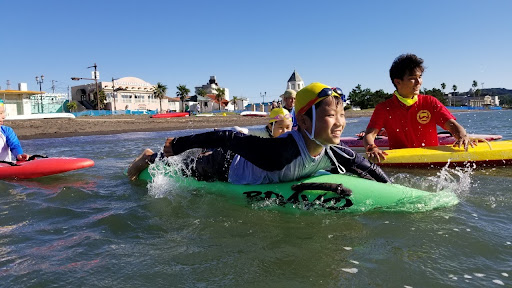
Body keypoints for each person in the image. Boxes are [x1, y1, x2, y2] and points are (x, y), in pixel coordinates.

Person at [127, 82, 390, 184]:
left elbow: (362, 165)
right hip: (226, 166)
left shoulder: (332, 152)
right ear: (305, 123)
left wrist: (393, 190)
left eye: (342, 115)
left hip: (242, 158)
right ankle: (150, 157)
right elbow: (228, 138)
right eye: (331, 115)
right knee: (186, 168)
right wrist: (180, 144)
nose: (340, 123)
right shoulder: (281, 152)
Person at [363, 53, 478, 163]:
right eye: (412, 78)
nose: (419, 82)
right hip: (401, 164)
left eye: (420, 77)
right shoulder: (384, 108)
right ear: (398, 82)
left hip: (431, 162)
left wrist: (462, 136)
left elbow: (452, 126)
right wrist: (372, 148)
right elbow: (369, 135)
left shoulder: (430, 102)